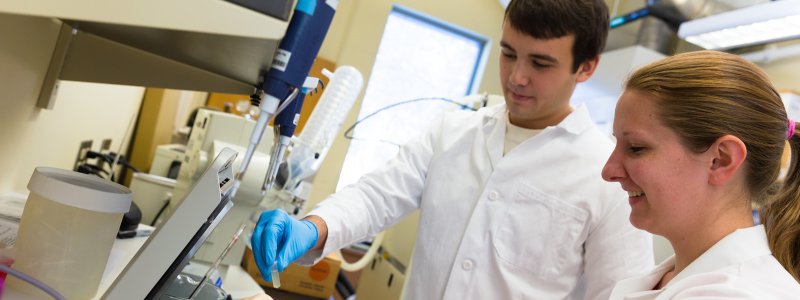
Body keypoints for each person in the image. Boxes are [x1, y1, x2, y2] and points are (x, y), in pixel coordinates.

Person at [251, 0, 654, 298]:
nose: (516, 77)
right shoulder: (454, 131)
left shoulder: (611, 178)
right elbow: (377, 196)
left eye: (541, 64)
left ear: (586, 67)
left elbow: (620, 294)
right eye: (509, 53)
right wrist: (314, 228)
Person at [602, 50, 800, 299]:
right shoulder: (673, 277)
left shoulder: (734, 294)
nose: (608, 171)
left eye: (636, 148)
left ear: (721, 160)